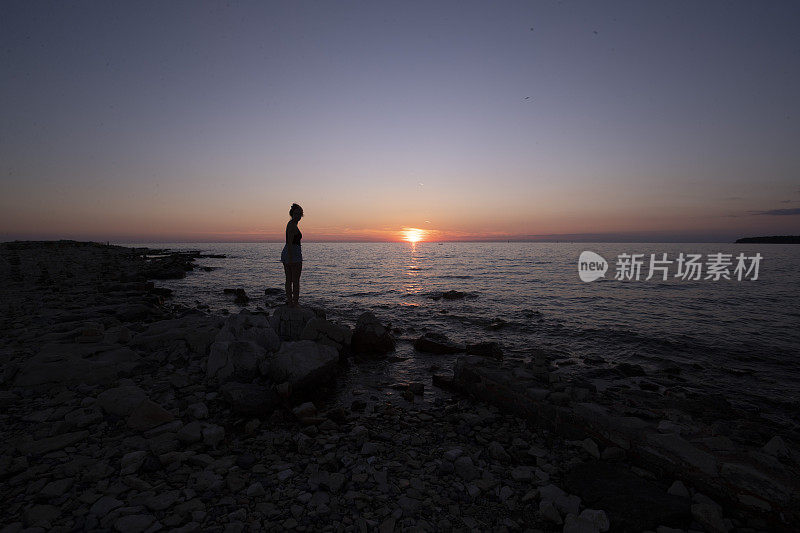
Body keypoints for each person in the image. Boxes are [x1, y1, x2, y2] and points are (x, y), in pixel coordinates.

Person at [280, 203, 303, 307]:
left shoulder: (293, 224)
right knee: (294, 281)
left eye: (300, 214)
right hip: (292, 254)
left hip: (292, 254)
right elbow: (289, 242)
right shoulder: (291, 225)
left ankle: (291, 302)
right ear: (292, 214)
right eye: (296, 213)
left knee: (290, 280)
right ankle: (294, 303)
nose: (298, 215)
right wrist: (290, 258)